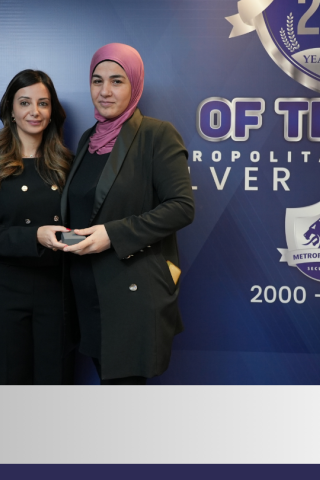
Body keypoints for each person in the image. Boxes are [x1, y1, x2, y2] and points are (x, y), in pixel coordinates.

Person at [60, 43, 195, 384]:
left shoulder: (156, 134)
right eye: (97, 80)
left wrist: (113, 234)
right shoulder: (89, 139)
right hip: (88, 294)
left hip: (132, 294)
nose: (104, 91)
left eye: (117, 81)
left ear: (135, 85)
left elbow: (182, 207)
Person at [0, 69, 74, 385]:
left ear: (52, 111)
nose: (34, 111)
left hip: (57, 290)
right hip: (4, 291)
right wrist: (36, 235)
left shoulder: (69, 165)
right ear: (11, 110)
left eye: (43, 103)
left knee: (55, 382)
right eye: (25, 102)